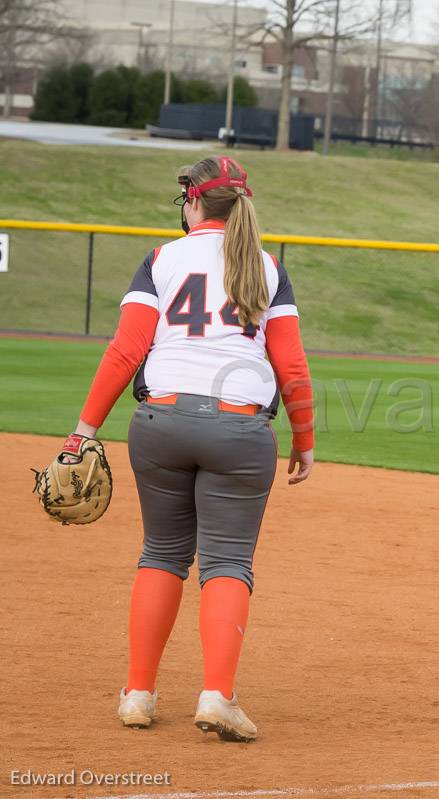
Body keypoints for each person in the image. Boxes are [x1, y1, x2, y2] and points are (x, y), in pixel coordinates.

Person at [52, 155, 315, 742]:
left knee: (162, 554)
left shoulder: (162, 260)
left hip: (161, 421)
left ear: (192, 201)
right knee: (226, 564)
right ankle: (217, 696)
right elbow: (291, 365)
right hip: (241, 431)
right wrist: (305, 438)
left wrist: (83, 432)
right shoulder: (268, 268)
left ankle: (138, 694)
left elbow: (124, 352)